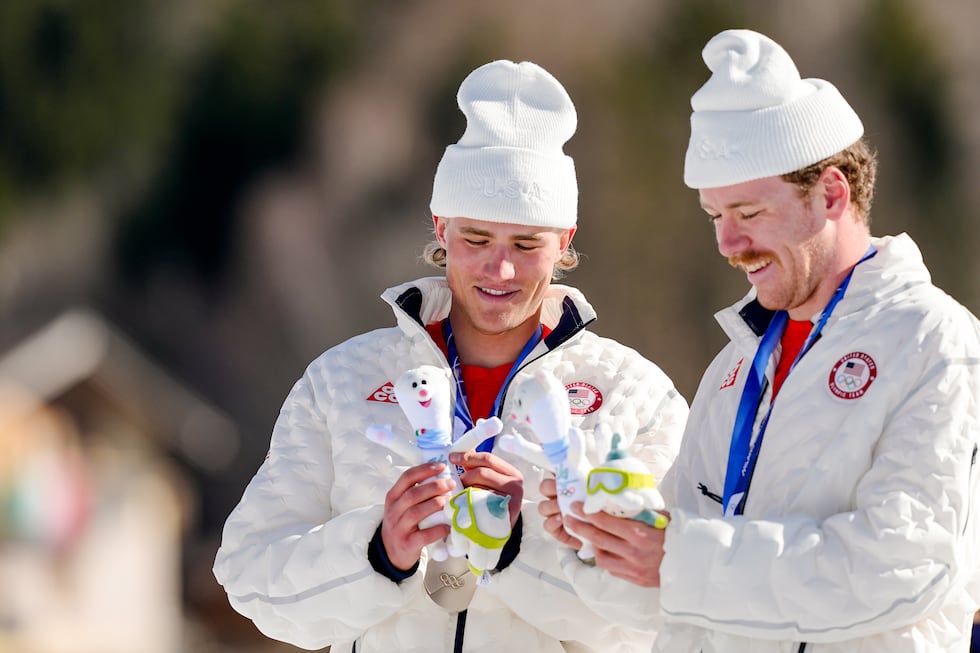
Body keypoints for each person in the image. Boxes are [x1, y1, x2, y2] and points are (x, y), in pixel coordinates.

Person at [212, 59, 688, 653]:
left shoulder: (632, 395)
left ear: (565, 241)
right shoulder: (343, 380)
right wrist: (379, 551)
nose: (500, 269)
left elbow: (663, 610)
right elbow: (251, 578)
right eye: (476, 239)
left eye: (526, 244)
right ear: (441, 228)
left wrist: (516, 549)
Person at [540, 28, 980, 652]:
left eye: (749, 213)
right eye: (715, 217)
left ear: (831, 194)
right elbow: (674, 595)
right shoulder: (736, 363)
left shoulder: (932, 340)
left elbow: (903, 568)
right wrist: (605, 541)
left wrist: (680, 559)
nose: (728, 244)